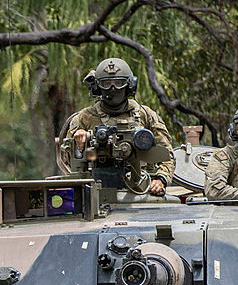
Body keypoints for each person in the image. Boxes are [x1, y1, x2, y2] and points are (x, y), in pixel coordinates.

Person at [64, 57, 175, 195]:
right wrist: (78, 143)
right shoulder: (84, 118)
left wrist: (161, 179)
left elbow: (167, 154)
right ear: (97, 87)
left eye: (118, 83)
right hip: (96, 191)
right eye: (106, 83)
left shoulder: (145, 114)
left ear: (130, 85)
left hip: (142, 189)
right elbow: (67, 160)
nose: (112, 88)